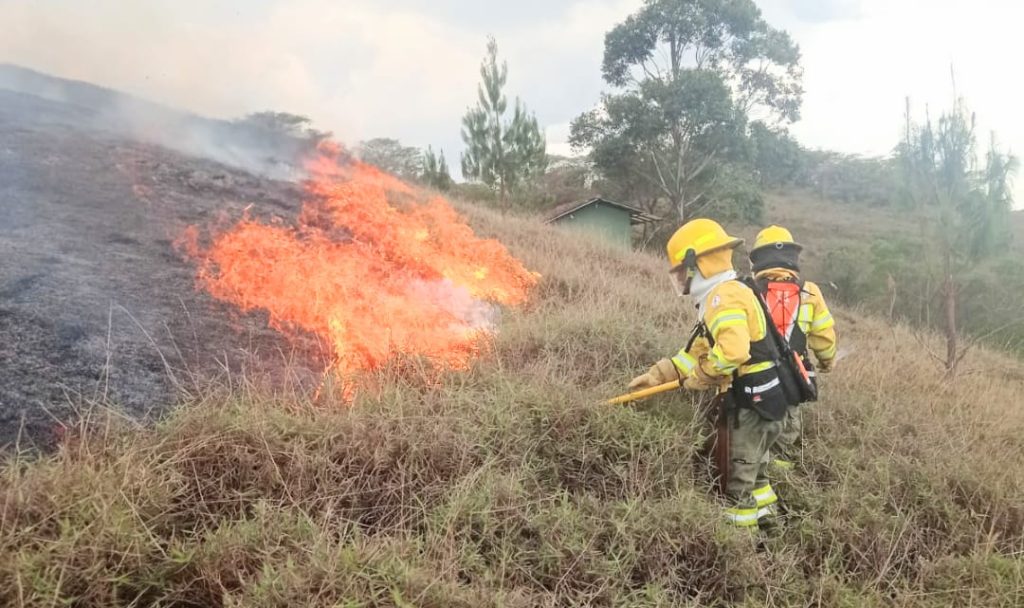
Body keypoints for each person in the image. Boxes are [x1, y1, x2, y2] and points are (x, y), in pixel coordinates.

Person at [628, 219, 792, 528]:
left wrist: (703, 376)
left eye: (680, 271)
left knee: (735, 484)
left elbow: (732, 352)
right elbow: (698, 352)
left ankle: (742, 549)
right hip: (769, 405)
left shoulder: (722, 298)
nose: (680, 279)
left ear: (696, 264)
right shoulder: (734, 289)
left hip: (749, 409)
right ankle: (772, 532)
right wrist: (658, 374)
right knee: (757, 475)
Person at [748, 226, 837, 470]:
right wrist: (827, 361)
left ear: (758, 258)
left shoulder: (747, 291)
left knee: (753, 429)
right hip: (793, 379)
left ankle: (755, 467)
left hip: (754, 379)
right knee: (787, 431)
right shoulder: (810, 292)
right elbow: (824, 335)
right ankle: (778, 476)